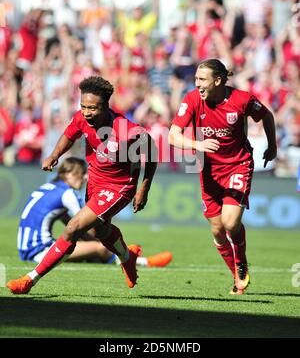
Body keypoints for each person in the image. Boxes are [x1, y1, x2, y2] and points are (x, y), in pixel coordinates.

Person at [7, 75, 158, 294]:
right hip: (95, 181)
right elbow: (69, 135)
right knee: (100, 231)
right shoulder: (81, 118)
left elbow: (152, 154)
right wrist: (54, 155)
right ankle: (128, 257)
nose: (86, 112)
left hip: (119, 186)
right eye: (83, 106)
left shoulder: (128, 131)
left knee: (73, 228)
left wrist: (144, 188)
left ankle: (30, 280)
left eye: (93, 108)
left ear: (106, 106)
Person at [168, 59, 277, 294]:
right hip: (208, 171)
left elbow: (266, 116)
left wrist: (273, 146)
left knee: (230, 222)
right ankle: (237, 278)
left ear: (217, 81)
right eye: (196, 79)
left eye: (202, 79)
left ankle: (241, 262)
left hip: (238, 165)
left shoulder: (242, 99)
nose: (197, 84)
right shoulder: (192, 100)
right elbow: (172, 136)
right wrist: (198, 143)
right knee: (217, 230)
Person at [17, 157, 172, 267]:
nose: (85, 178)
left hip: (24, 247)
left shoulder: (48, 188)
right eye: (81, 173)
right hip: (39, 251)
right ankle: (142, 262)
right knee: (101, 248)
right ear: (68, 174)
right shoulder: (67, 194)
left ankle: (107, 257)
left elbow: (69, 223)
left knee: (87, 242)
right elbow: (90, 227)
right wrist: (104, 241)